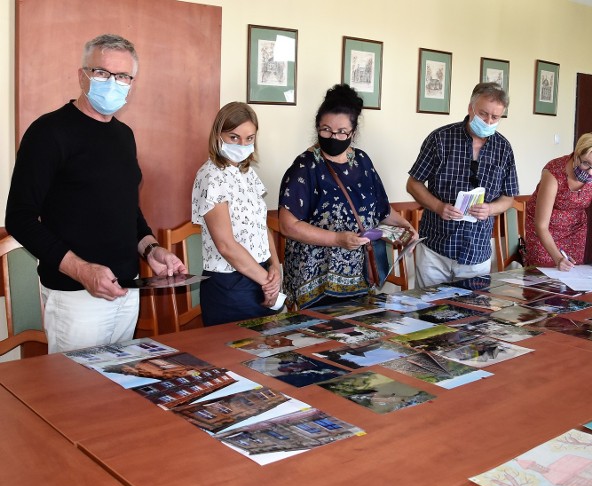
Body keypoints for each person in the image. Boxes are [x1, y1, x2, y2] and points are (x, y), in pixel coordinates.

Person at [5, 34, 185, 353]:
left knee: (117, 391)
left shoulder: (124, 136)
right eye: (102, 73)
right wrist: (82, 270)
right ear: (82, 75)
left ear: (132, 82)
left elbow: (129, 213)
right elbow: (19, 218)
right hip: (77, 297)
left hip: (128, 291)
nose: (113, 83)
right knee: (74, 397)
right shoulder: (48, 132)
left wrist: (152, 249)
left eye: (123, 76)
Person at [278, 84, 415, 309]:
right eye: (325, 129)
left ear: (352, 132)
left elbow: (382, 209)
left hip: (359, 278)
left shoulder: (362, 161)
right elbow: (287, 225)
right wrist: (337, 239)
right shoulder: (305, 166)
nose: (333, 136)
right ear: (317, 127)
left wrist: (405, 225)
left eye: (342, 132)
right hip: (314, 283)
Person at [407, 82, 519, 287]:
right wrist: (439, 207)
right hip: (436, 248)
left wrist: (491, 209)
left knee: (473, 316)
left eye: (495, 117)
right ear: (471, 108)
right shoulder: (440, 139)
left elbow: (509, 197)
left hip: (477, 251)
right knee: (428, 314)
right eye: (483, 114)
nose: (488, 121)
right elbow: (413, 184)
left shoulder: (503, 148)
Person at [191, 102, 281, 326]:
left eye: (249, 138)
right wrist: (267, 282)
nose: (242, 144)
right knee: (236, 356)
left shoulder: (247, 173)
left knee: (269, 355)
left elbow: (262, 226)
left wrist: (275, 267)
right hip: (229, 285)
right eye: (234, 137)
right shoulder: (211, 176)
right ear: (218, 135)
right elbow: (226, 246)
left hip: (260, 276)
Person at [524, 132, 592, 271]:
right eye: (586, 163)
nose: (591, 172)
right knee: (545, 279)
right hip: (543, 232)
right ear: (577, 155)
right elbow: (541, 225)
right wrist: (558, 258)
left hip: (575, 231)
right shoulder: (554, 172)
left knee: (572, 277)